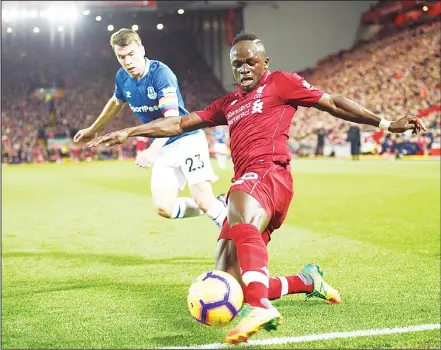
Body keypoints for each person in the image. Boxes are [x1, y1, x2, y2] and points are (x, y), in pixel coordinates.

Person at [86, 32, 426, 344]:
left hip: (269, 175)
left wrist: (385, 123)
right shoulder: (228, 104)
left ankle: (261, 305)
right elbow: (179, 122)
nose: (245, 69)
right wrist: (131, 132)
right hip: (247, 184)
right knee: (229, 283)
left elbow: (332, 102)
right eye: (238, 64)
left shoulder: (281, 84)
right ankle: (306, 281)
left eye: (251, 62)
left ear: (265, 63)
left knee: (237, 209)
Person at [73, 28, 227, 229]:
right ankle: (219, 205)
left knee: (203, 199)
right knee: (164, 207)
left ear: (142, 50)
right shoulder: (122, 77)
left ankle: (240, 241)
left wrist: (153, 150)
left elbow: (172, 121)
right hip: (164, 146)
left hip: (186, 139)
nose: (128, 61)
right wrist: (94, 129)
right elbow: (116, 102)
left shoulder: (161, 74)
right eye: (121, 57)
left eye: (131, 54)